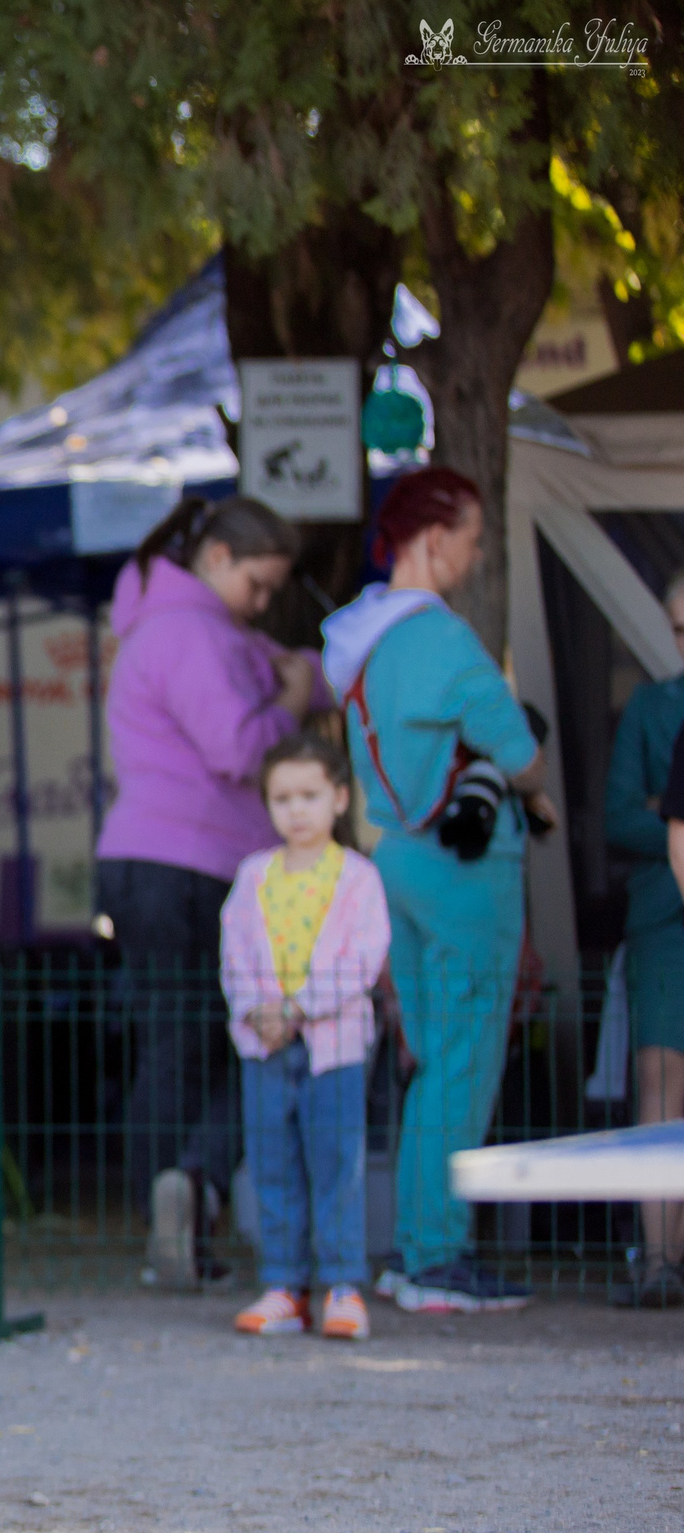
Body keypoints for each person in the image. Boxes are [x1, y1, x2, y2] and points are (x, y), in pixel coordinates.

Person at [320, 466, 554, 1315]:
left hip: (396, 861)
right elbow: (520, 749)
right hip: (464, 871)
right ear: (433, 537)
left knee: (429, 1061)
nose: (478, 551)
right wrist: (530, 786)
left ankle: (414, 1252)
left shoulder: (360, 638)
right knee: (465, 1059)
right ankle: (436, 1257)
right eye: (472, 535)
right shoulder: (444, 640)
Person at [95, 494, 313, 1285]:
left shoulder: (168, 625)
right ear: (216, 558)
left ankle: (173, 1228)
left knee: (171, 1041)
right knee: (235, 1039)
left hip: (145, 859)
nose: (264, 603)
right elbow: (238, 747)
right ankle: (195, 1187)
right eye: (259, 585)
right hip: (196, 866)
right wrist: (292, 699)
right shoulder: (191, 634)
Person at [220, 733, 389, 1340]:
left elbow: (361, 962)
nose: (296, 810)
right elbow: (234, 955)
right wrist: (256, 1011)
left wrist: (297, 1007)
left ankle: (343, 1284)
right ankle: (284, 1286)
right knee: (273, 1166)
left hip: (333, 1049)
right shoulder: (252, 876)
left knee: (336, 1165)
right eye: (282, 797)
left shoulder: (359, 879)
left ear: (340, 799)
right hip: (264, 1046)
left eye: (310, 795)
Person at [607, 586, 684, 1309]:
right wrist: (672, 823)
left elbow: (647, 813)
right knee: (661, 1079)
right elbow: (618, 816)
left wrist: (670, 811)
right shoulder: (653, 707)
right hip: (664, 916)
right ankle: (659, 1260)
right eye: (678, 628)